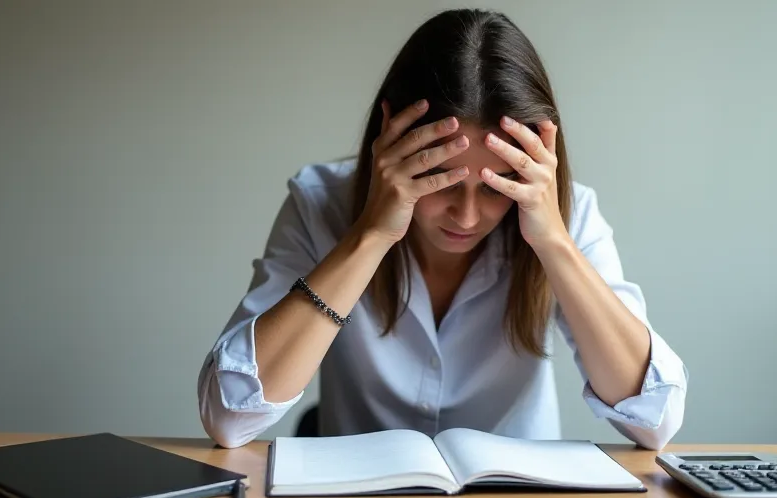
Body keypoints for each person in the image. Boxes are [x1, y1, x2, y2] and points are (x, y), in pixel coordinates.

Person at [196, 8, 687, 450]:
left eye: (496, 187)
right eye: (438, 179)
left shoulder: (565, 215)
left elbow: (654, 420)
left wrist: (553, 243)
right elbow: (229, 416)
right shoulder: (319, 203)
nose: (467, 217)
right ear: (389, 140)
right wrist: (371, 235)